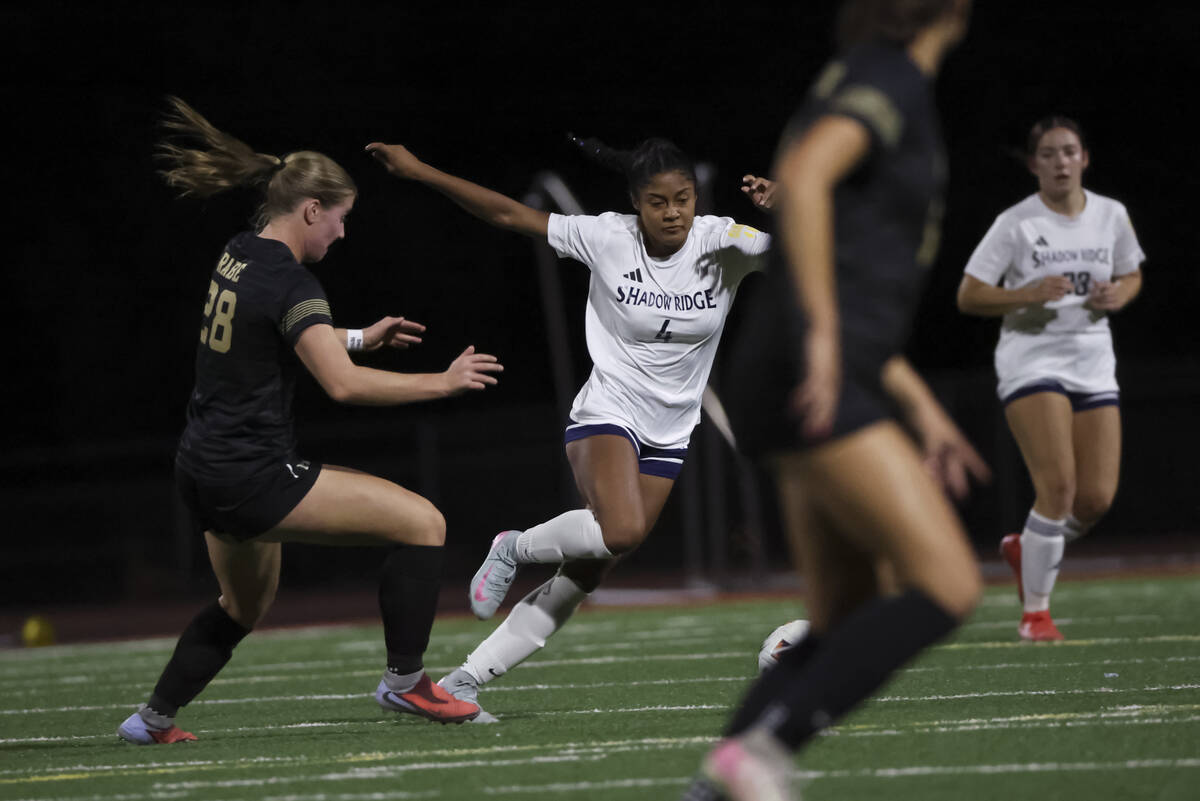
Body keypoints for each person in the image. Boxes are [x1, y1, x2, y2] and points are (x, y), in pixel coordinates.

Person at [116, 97, 504, 745]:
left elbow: (273, 336)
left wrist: (356, 335)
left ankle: (151, 719)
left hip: (200, 465)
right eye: (341, 219)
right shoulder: (295, 284)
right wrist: (445, 380)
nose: (342, 235)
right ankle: (406, 683)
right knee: (423, 523)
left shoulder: (240, 251)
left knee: (243, 605)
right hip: (251, 473)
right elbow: (341, 385)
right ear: (311, 210)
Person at [680, 1, 981, 799]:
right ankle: (762, 753)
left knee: (844, 613)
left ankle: (719, 782)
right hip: (811, 367)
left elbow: (843, 258)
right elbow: (806, 177)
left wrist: (919, 405)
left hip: (797, 365)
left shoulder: (855, 76)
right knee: (946, 585)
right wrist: (820, 335)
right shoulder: (891, 79)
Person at [366, 134, 771, 722]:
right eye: (658, 202)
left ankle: (465, 680)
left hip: (671, 429)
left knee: (587, 570)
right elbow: (507, 212)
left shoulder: (725, 242)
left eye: (683, 198)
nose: (673, 212)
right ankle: (512, 546)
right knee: (624, 532)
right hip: (608, 411)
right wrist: (421, 168)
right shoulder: (606, 236)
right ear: (636, 203)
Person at [958, 116, 1145, 641]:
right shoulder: (1016, 223)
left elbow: (1132, 274)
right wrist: (1027, 292)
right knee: (1058, 486)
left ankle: (1028, 547)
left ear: (1085, 158)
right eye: (1049, 154)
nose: (1061, 162)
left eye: (1069, 152)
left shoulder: (1111, 216)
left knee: (1094, 500)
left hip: (1092, 359)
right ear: (1034, 163)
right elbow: (969, 294)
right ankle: (1035, 615)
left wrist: (1121, 294)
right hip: (1032, 359)